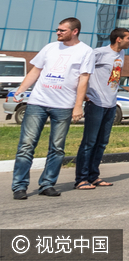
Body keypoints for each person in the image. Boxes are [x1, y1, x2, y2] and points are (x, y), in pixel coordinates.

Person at [11, 18, 94, 200]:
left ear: (75, 31)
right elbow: (35, 70)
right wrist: (20, 90)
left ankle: (47, 184)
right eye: (57, 29)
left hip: (63, 106)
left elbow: (83, 79)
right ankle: (19, 186)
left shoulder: (86, 51)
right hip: (38, 102)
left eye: (62, 30)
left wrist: (77, 106)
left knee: (57, 148)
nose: (58, 32)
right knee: (26, 145)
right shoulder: (50, 47)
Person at [74, 28, 129, 190]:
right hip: (96, 103)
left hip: (111, 104)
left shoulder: (121, 54)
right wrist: (82, 93)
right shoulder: (98, 53)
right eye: (128, 38)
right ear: (118, 39)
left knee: (101, 143)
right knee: (89, 142)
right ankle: (81, 179)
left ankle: (93, 176)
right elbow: (81, 71)